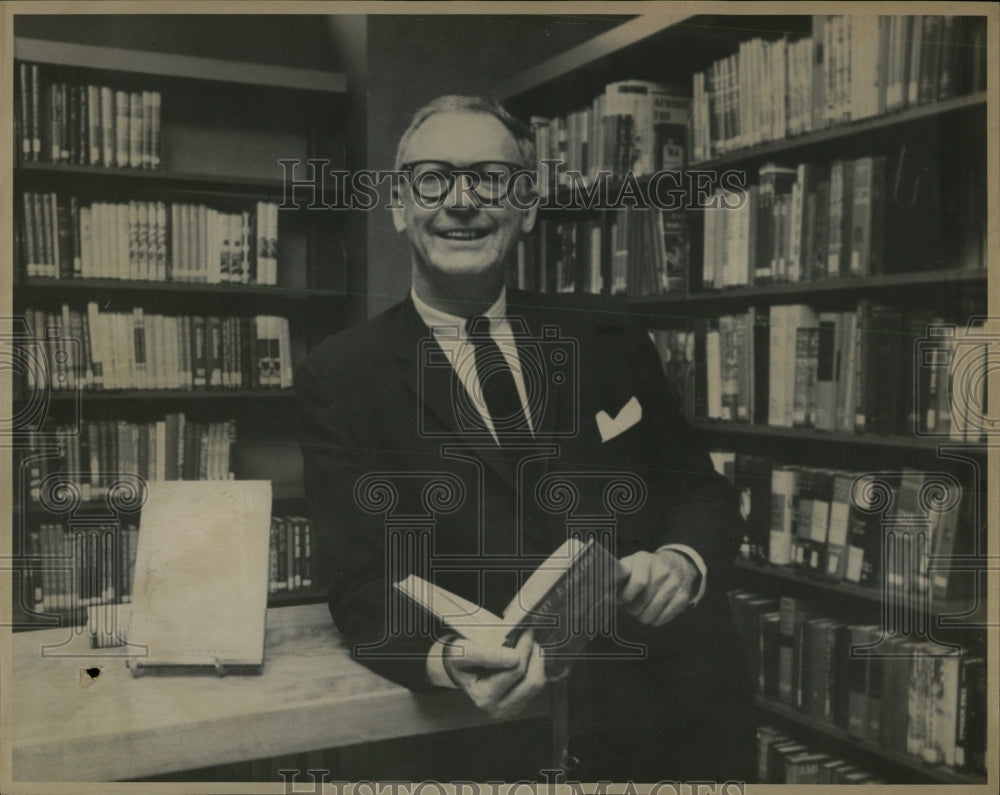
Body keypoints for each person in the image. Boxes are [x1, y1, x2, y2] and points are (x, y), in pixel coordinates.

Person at [297, 95, 755, 782]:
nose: (461, 200)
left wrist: (682, 560)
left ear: (529, 206)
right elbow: (360, 584)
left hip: (667, 722)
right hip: (490, 740)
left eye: (489, 178)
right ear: (398, 206)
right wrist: (449, 656)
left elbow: (701, 492)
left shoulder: (613, 340)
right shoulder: (340, 375)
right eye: (433, 179)